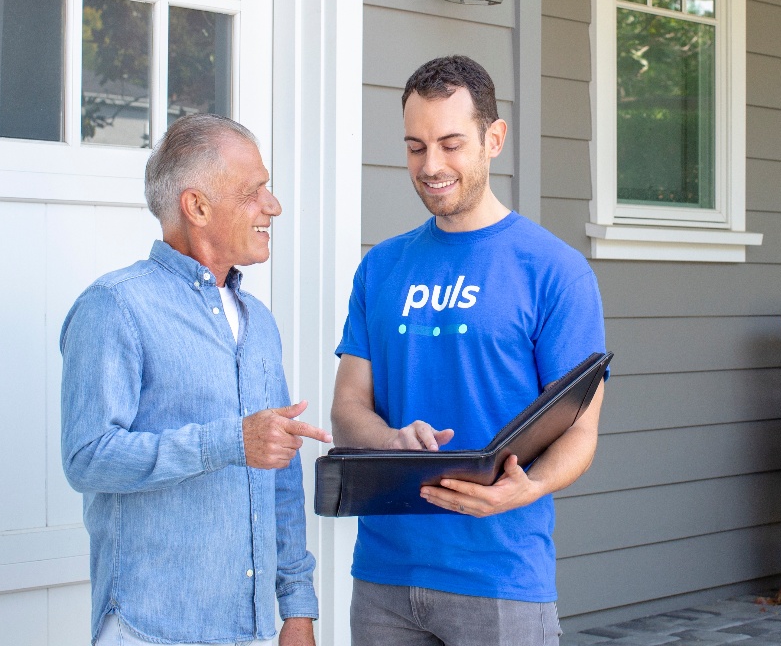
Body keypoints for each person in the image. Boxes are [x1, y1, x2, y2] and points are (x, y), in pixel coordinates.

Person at [331, 55, 608, 646]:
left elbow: (580, 431)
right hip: (385, 575)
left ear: (494, 139)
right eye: (415, 147)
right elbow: (348, 407)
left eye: (451, 145)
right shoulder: (380, 267)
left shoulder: (555, 271)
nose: (431, 166)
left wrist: (527, 489)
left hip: (500, 575)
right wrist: (391, 441)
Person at [60, 114, 330, 646]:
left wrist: (297, 607)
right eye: (255, 192)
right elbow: (87, 457)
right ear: (197, 206)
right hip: (150, 628)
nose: (272, 206)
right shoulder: (115, 307)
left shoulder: (260, 323)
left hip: (249, 630)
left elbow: (280, 477)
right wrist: (230, 441)